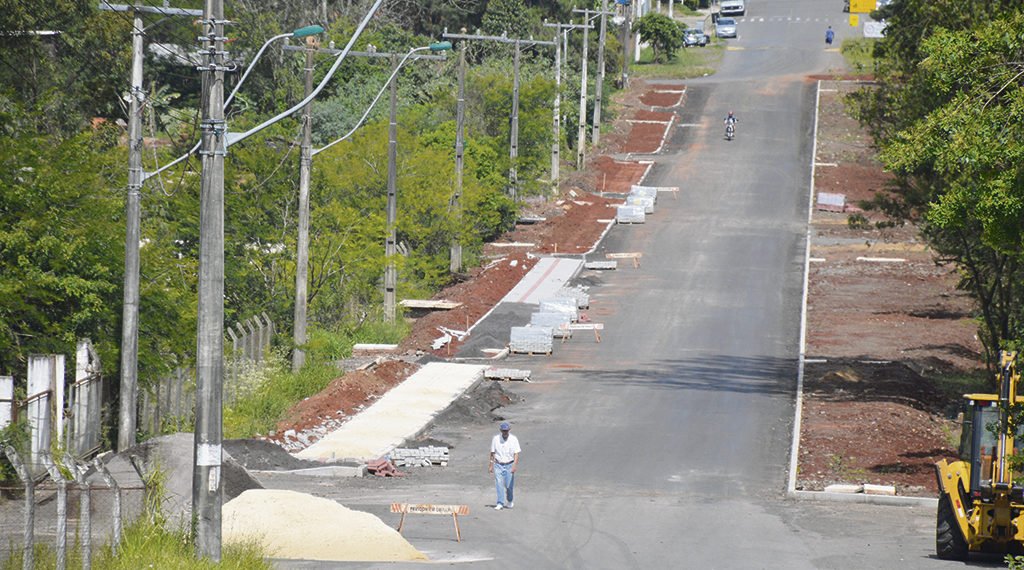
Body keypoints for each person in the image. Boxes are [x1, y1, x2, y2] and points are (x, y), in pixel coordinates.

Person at [489, 421, 520, 510]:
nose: (505, 433)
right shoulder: (495, 439)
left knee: (508, 485)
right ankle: (500, 502)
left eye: (506, 431)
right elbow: (492, 452)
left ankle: (510, 500)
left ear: (509, 430)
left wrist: (514, 465)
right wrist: (491, 464)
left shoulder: (513, 439)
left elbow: (516, 453)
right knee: (499, 483)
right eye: (503, 431)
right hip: (498, 464)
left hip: (509, 464)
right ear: (500, 430)